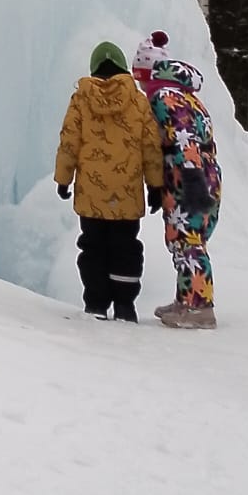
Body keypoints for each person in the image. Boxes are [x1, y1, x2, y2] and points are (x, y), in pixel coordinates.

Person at [54, 41, 164, 322]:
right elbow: (150, 145)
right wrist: (155, 185)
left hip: (91, 192)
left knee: (92, 246)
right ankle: (125, 305)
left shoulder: (80, 99)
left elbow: (69, 141)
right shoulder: (138, 101)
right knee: (125, 246)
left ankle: (96, 303)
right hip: (126, 192)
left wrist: (63, 178)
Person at [132, 33, 223, 330]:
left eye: (140, 78)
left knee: (188, 241)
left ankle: (198, 307)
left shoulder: (165, 97)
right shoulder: (183, 94)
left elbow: (184, 137)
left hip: (189, 175)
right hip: (198, 172)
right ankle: (186, 299)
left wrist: (192, 178)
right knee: (184, 240)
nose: (140, 86)